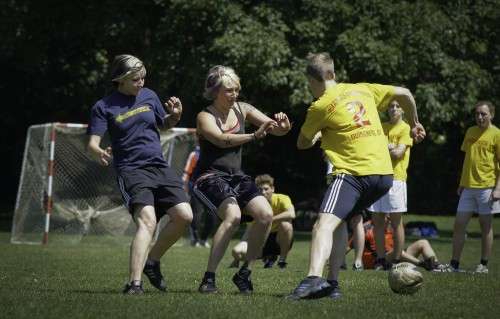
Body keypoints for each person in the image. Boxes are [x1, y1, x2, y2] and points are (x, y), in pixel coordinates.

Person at [287, 52, 425, 300]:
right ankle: (332, 285)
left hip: (353, 173)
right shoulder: (363, 89)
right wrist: (415, 122)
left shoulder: (319, 106)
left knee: (323, 225)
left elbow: (301, 143)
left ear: (314, 80)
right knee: (340, 221)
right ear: (333, 74)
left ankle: (311, 281)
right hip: (383, 176)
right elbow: (404, 92)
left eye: (309, 83)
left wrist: (318, 136)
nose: (310, 89)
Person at [87, 54, 193, 295]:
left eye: (144, 78)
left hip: (158, 166)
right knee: (148, 221)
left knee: (185, 215)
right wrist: (99, 151)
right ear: (121, 80)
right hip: (132, 170)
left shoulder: (149, 96)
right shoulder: (103, 107)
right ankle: (134, 284)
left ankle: (152, 262)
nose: (141, 83)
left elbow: (162, 124)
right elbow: (92, 143)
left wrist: (174, 116)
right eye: (136, 79)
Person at [192, 65, 291, 294]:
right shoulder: (204, 116)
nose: (234, 94)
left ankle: (244, 272)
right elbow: (221, 140)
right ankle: (208, 279)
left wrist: (284, 127)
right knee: (233, 216)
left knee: (266, 215)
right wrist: (253, 136)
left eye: (236, 89)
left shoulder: (242, 108)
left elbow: (273, 128)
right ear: (215, 91)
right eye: (229, 90)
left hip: (236, 176)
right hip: (209, 177)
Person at [444, 101, 500, 273]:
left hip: (487, 187)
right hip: (468, 187)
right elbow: (468, 160)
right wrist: (462, 183)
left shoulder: (497, 134)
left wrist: (498, 188)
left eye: (483, 114)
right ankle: (454, 264)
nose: (480, 117)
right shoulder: (470, 131)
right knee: (459, 224)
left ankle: (483, 264)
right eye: (477, 114)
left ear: (491, 115)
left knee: (485, 226)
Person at [367, 99, 414, 270]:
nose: (393, 109)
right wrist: (389, 146)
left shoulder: (405, 128)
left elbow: (398, 153)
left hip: (396, 179)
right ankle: (380, 260)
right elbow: (372, 149)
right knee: (377, 220)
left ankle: (396, 259)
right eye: (391, 106)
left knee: (396, 222)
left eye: (397, 106)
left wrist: (384, 145)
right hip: (378, 176)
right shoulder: (381, 127)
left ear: (403, 110)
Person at [230, 174, 295, 269]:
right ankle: (268, 256)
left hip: (279, 239)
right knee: (236, 251)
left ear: (273, 189)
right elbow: (249, 231)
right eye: (260, 190)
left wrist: (268, 219)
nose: (263, 192)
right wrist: (236, 259)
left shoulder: (282, 198)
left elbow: (291, 214)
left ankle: (282, 260)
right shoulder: (255, 206)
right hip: (262, 240)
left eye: (266, 189)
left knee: (286, 225)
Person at [350, 219, 444, 271]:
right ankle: (423, 264)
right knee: (397, 252)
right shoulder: (366, 228)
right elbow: (348, 246)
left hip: (396, 259)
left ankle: (436, 266)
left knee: (423, 242)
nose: (390, 215)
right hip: (377, 264)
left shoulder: (395, 226)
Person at [182, 144, 215, 248]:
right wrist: (185, 187)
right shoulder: (195, 154)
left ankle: (203, 239)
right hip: (196, 187)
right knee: (197, 213)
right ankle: (195, 239)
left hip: (211, 188)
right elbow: (186, 173)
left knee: (212, 214)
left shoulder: (216, 153)